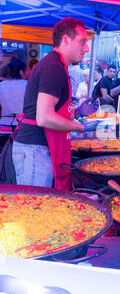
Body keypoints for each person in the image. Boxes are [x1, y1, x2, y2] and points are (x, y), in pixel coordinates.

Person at [12, 17, 96, 190]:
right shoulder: (53, 67)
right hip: (35, 149)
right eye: (82, 42)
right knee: (36, 208)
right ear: (66, 39)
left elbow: (52, 112)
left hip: (36, 149)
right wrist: (82, 127)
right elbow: (44, 117)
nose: (86, 48)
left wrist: (78, 113)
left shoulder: (56, 64)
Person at [0, 58, 27, 131]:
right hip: (22, 126)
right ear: (21, 72)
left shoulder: (1, 85)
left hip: (3, 125)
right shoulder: (27, 85)